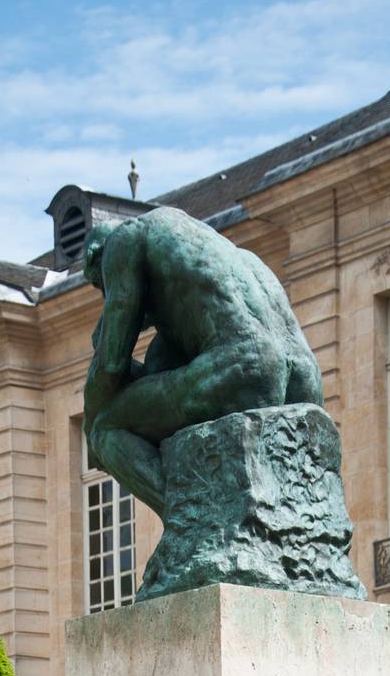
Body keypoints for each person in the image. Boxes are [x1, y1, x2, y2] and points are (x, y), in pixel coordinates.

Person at [82, 204, 324, 515]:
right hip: (306, 390)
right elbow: (158, 375)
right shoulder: (225, 256)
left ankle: (191, 522)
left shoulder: (124, 241)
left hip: (245, 366)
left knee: (107, 430)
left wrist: (91, 426)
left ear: (97, 256)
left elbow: (110, 364)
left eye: (101, 285)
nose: (107, 296)